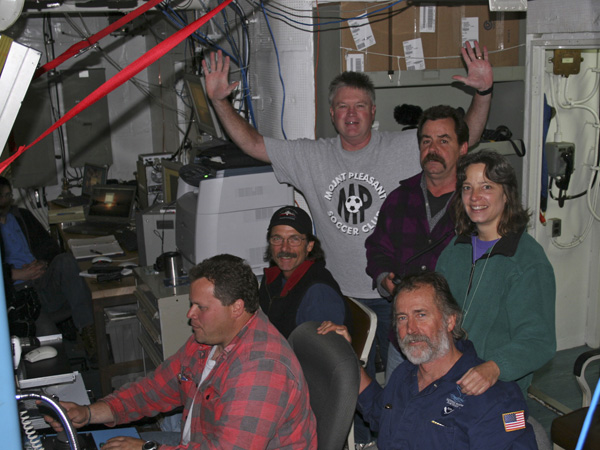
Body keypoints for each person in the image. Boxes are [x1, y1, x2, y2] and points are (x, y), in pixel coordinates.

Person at [204, 43, 493, 377]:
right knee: (347, 384)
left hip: (396, 298)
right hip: (338, 297)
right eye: (342, 106)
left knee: (408, 381)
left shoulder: (405, 145)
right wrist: (219, 101)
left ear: (373, 111)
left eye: (359, 106)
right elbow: (254, 144)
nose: (351, 114)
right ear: (331, 113)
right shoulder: (310, 156)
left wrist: (484, 92)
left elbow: (460, 136)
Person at [45, 254, 317, 450]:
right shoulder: (207, 341)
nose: (190, 315)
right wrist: (90, 413)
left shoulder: (262, 370)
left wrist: (145, 449)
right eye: (191, 304)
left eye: (201, 307)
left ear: (236, 308)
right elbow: (156, 388)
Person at [318, 271, 538, 450]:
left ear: (450, 321)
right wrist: (347, 355)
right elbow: (379, 411)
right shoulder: (405, 374)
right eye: (402, 318)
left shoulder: (493, 398)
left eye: (421, 315)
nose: (410, 329)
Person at [436, 150, 556, 397]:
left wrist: (494, 367)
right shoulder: (456, 248)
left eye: (487, 187)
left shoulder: (527, 262)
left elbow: (539, 341)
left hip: (497, 387)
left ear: (507, 194)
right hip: (449, 375)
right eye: (467, 187)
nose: (475, 197)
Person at [0, 176, 96, 358]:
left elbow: (50, 246)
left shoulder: (22, 216)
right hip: (18, 295)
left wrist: (43, 262)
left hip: (42, 280)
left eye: (8, 195)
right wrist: (14, 274)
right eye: (2, 196)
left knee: (66, 260)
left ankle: (89, 333)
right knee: (50, 340)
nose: (7, 200)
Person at [259, 205, 349, 338]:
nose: (284, 247)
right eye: (277, 239)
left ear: (309, 246)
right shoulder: (274, 278)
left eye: (294, 239)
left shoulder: (318, 294)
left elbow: (322, 353)